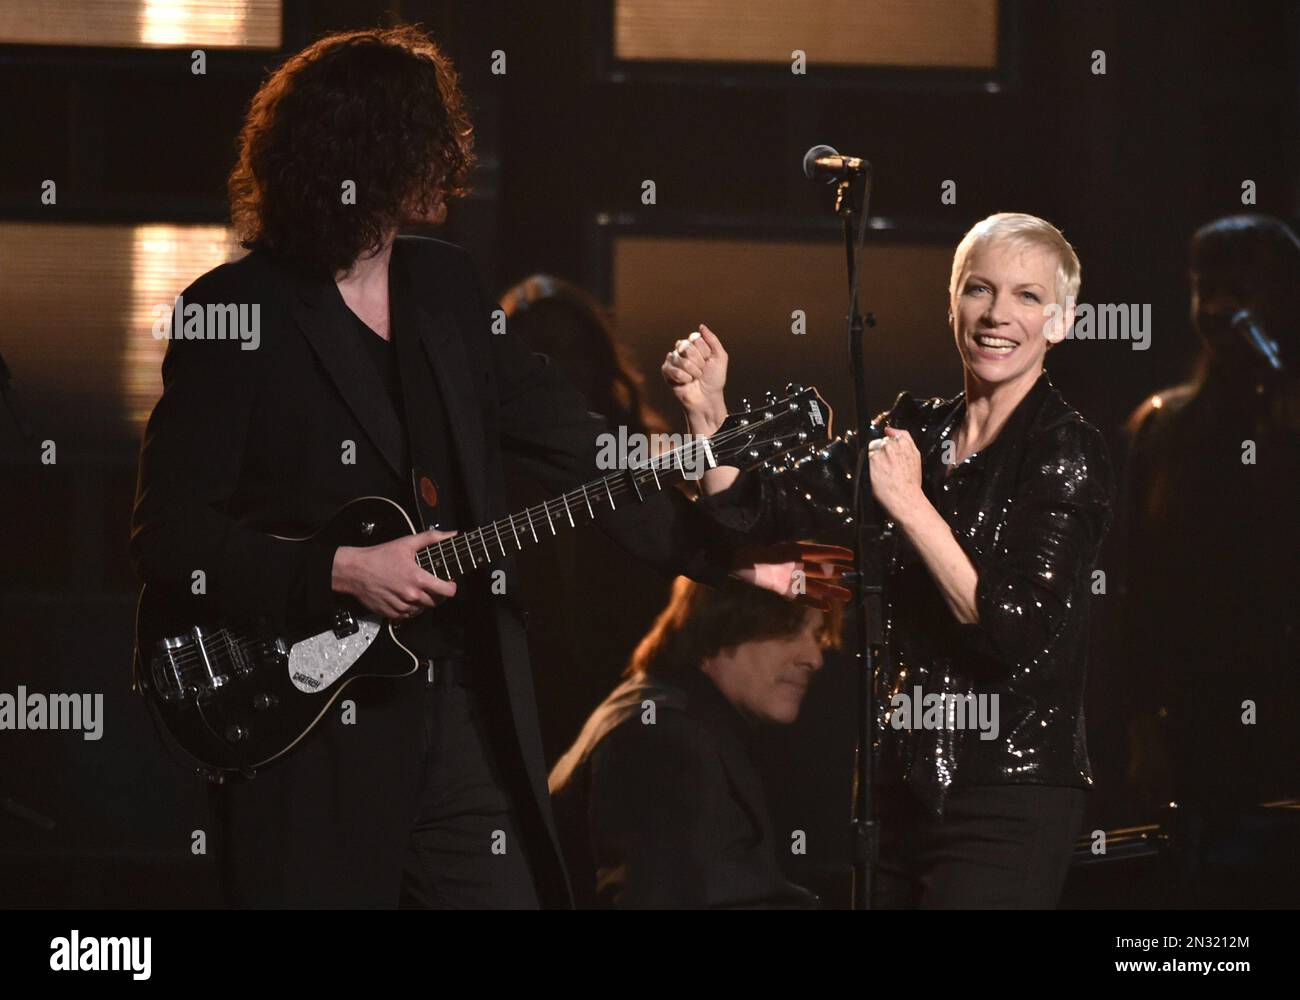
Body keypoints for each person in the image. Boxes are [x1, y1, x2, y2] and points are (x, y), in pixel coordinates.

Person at [129, 25, 827, 909]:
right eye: (431, 132)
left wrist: (728, 544)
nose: (454, 154)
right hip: (312, 725)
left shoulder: (446, 289)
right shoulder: (233, 311)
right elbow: (170, 538)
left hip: (459, 710)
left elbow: (583, 456)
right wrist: (342, 568)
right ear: (372, 147)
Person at [664, 212, 1116, 908]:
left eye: (1027, 296)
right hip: (892, 785)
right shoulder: (912, 429)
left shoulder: (1065, 451)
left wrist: (910, 503)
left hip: (1007, 792)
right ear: (952, 302)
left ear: (1060, 322)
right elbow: (758, 511)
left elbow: (1012, 628)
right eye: (979, 290)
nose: (998, 314)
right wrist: (708, 416)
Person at [1121, 215, 1299, 901]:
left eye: (1241, 289)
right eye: (1206, 289)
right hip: (1203, 730)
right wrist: (1143, 732)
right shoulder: (1165, 429)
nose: (1220, 308)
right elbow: (1142, 599)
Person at [549, 576, 844, 908]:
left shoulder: (678, 721)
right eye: (789, 629)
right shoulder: (663, 738)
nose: (815, 658)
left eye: (817, 635)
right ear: (719, 621)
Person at [497, 275, 678, 762]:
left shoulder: (642, 460)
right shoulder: (479, 466)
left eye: (573, 350)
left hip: (624, 699)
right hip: (515, 701)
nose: (557, 366)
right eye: (536, 350)